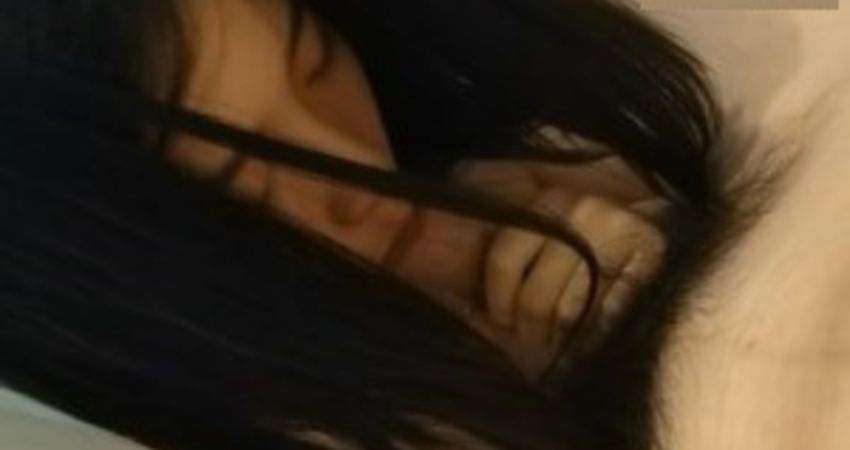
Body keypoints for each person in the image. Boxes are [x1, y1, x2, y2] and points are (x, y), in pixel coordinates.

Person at [0, 0, 718, 449]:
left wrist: (658, 279)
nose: (359, 171)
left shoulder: (510, 173)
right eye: (252, 181)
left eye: (315, 67)